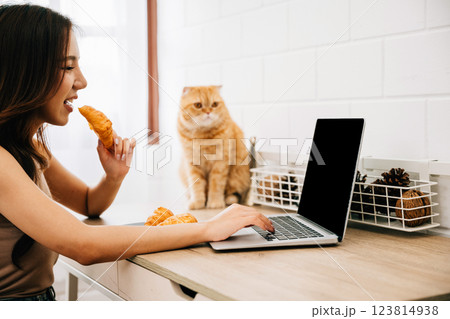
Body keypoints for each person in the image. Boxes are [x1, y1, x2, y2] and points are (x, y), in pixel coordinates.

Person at [0, 4, 273, 301]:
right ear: (21, 72)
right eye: (67, 66)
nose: (82, 80)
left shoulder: (29, 147)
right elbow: (83, 245)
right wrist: (209, 228)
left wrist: (113, 177)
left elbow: (89, 204)